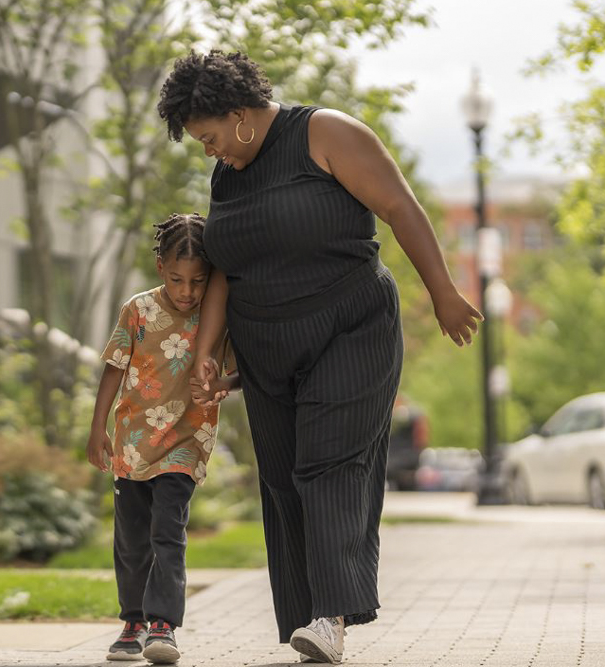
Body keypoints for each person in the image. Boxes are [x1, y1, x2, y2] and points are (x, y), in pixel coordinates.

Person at [157, 50, 482, 664]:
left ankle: (330, 618)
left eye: (209, 137)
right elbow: (225, 270)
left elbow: (400, 207)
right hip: (266, 351)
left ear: (238, 116)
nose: (209, 152)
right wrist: (207, 353)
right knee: (283, 481)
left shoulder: (326, 133)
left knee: (327, 466)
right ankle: (309, 616)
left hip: (349, 329)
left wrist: (443, 292)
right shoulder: (228, 176)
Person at [86, 212, 238, 664]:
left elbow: (237, 372)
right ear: (160, 269)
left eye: (197, 281)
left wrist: (220, 385)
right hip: (133, 443)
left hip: (186, 442)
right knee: (132, 540)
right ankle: (133, 622)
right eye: (176, 279)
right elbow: (113, 368)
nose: (187, 291)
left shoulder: (218, 316)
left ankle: (163, 625)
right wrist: (98, 428)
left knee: (167, 533)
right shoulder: (138, 310)